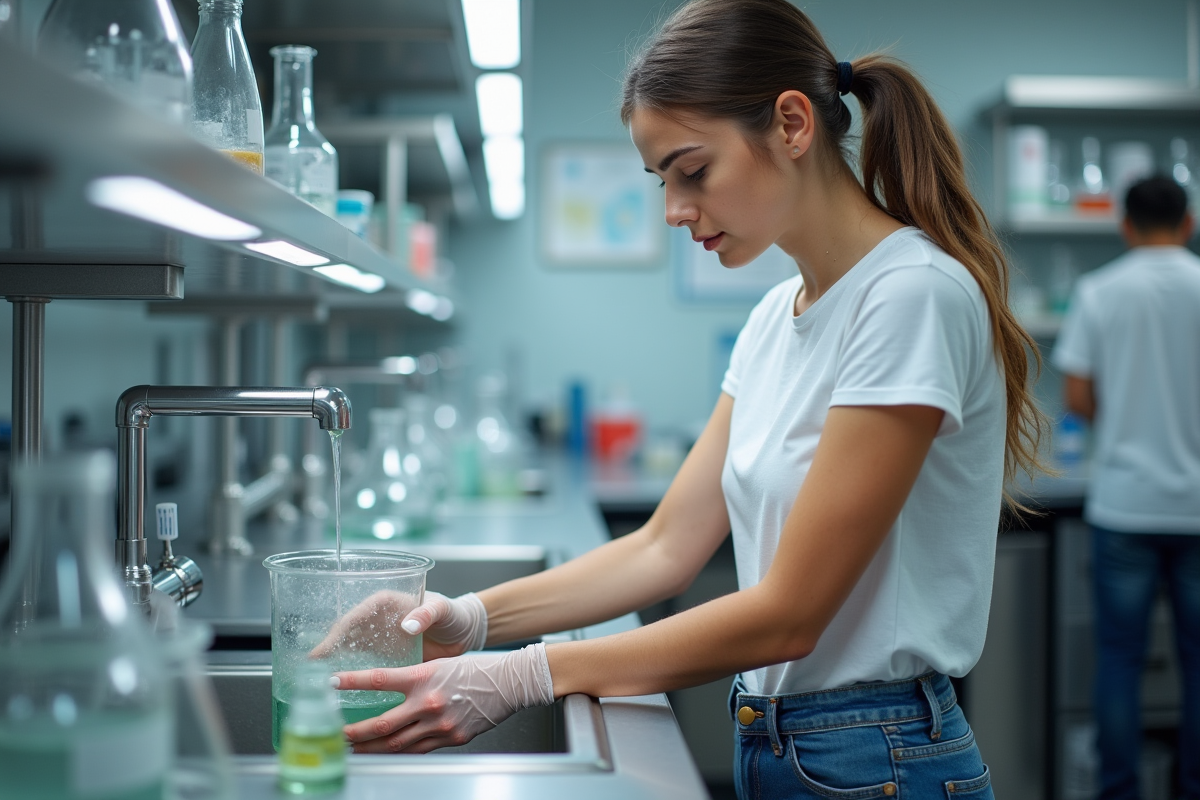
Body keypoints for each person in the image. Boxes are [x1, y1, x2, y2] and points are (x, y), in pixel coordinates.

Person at [321, 1, 1048, 796]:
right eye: (662, 179)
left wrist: (526, 676)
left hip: (880, 758)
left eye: (693, 171)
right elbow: (665, 545)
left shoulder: (911, 295)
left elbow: (789, 614)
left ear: (793, 125)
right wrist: (468, 618)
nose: (674, 209)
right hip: (781, 745)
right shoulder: (777, 315)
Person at [1052, 175, 1200, 800]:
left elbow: (1077, 396)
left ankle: (1120, 792)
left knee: (1119, 660)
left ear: (1126, 225)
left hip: (1125, 505)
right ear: (1189, 223)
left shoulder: (1100, 290)